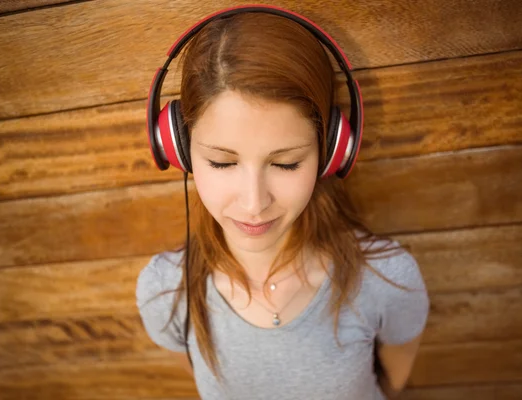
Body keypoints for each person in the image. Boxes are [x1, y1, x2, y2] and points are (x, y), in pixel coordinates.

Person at [136, 9, 429, 400]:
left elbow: (393, 380)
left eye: (286, 163)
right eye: (222, 162)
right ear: (179, 151)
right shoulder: (166, 291)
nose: (254, 203)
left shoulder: (387, 279)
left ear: (331, 152)